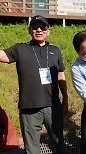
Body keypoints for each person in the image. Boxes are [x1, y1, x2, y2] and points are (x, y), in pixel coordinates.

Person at [0, 15, 68, 154]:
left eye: (42, 27)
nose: (39, 30)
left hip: (53, 105)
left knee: (58, 143)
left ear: (48, 31)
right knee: (32, 149)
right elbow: (2, 56)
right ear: (29, 30)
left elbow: (61, 75)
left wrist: (65, 98)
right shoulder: (20, 48)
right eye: (35, 27)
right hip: (29, 107)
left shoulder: (55, 50)